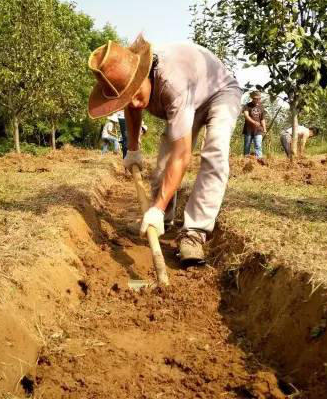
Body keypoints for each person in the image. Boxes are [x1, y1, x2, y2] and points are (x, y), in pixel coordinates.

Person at [88, 35, 241, 264]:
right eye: (128, 99)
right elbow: (132, 108)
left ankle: (193, 233)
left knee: (215, 152)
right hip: (191, 97)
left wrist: (156, 208)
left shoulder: (172, 84)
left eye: (137, 95)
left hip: (219, 92)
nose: (137, 103)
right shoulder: (132, 82)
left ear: (144, 75)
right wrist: (133, 149)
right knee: (162, 167)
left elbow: (182, 155)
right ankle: (164, 221)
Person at [242, 91, 266, 159]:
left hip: (258, 130)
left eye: (259, 98)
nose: (258, 100)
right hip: (248, 130)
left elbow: (262, 119)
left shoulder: (261, 107)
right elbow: (246, 116)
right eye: (256, 98)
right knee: (247, 146)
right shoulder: (247, 106)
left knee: (258, 145)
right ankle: (245, 160)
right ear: (252, 98)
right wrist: (254, 122)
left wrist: (264, 128)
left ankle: (259, 160)